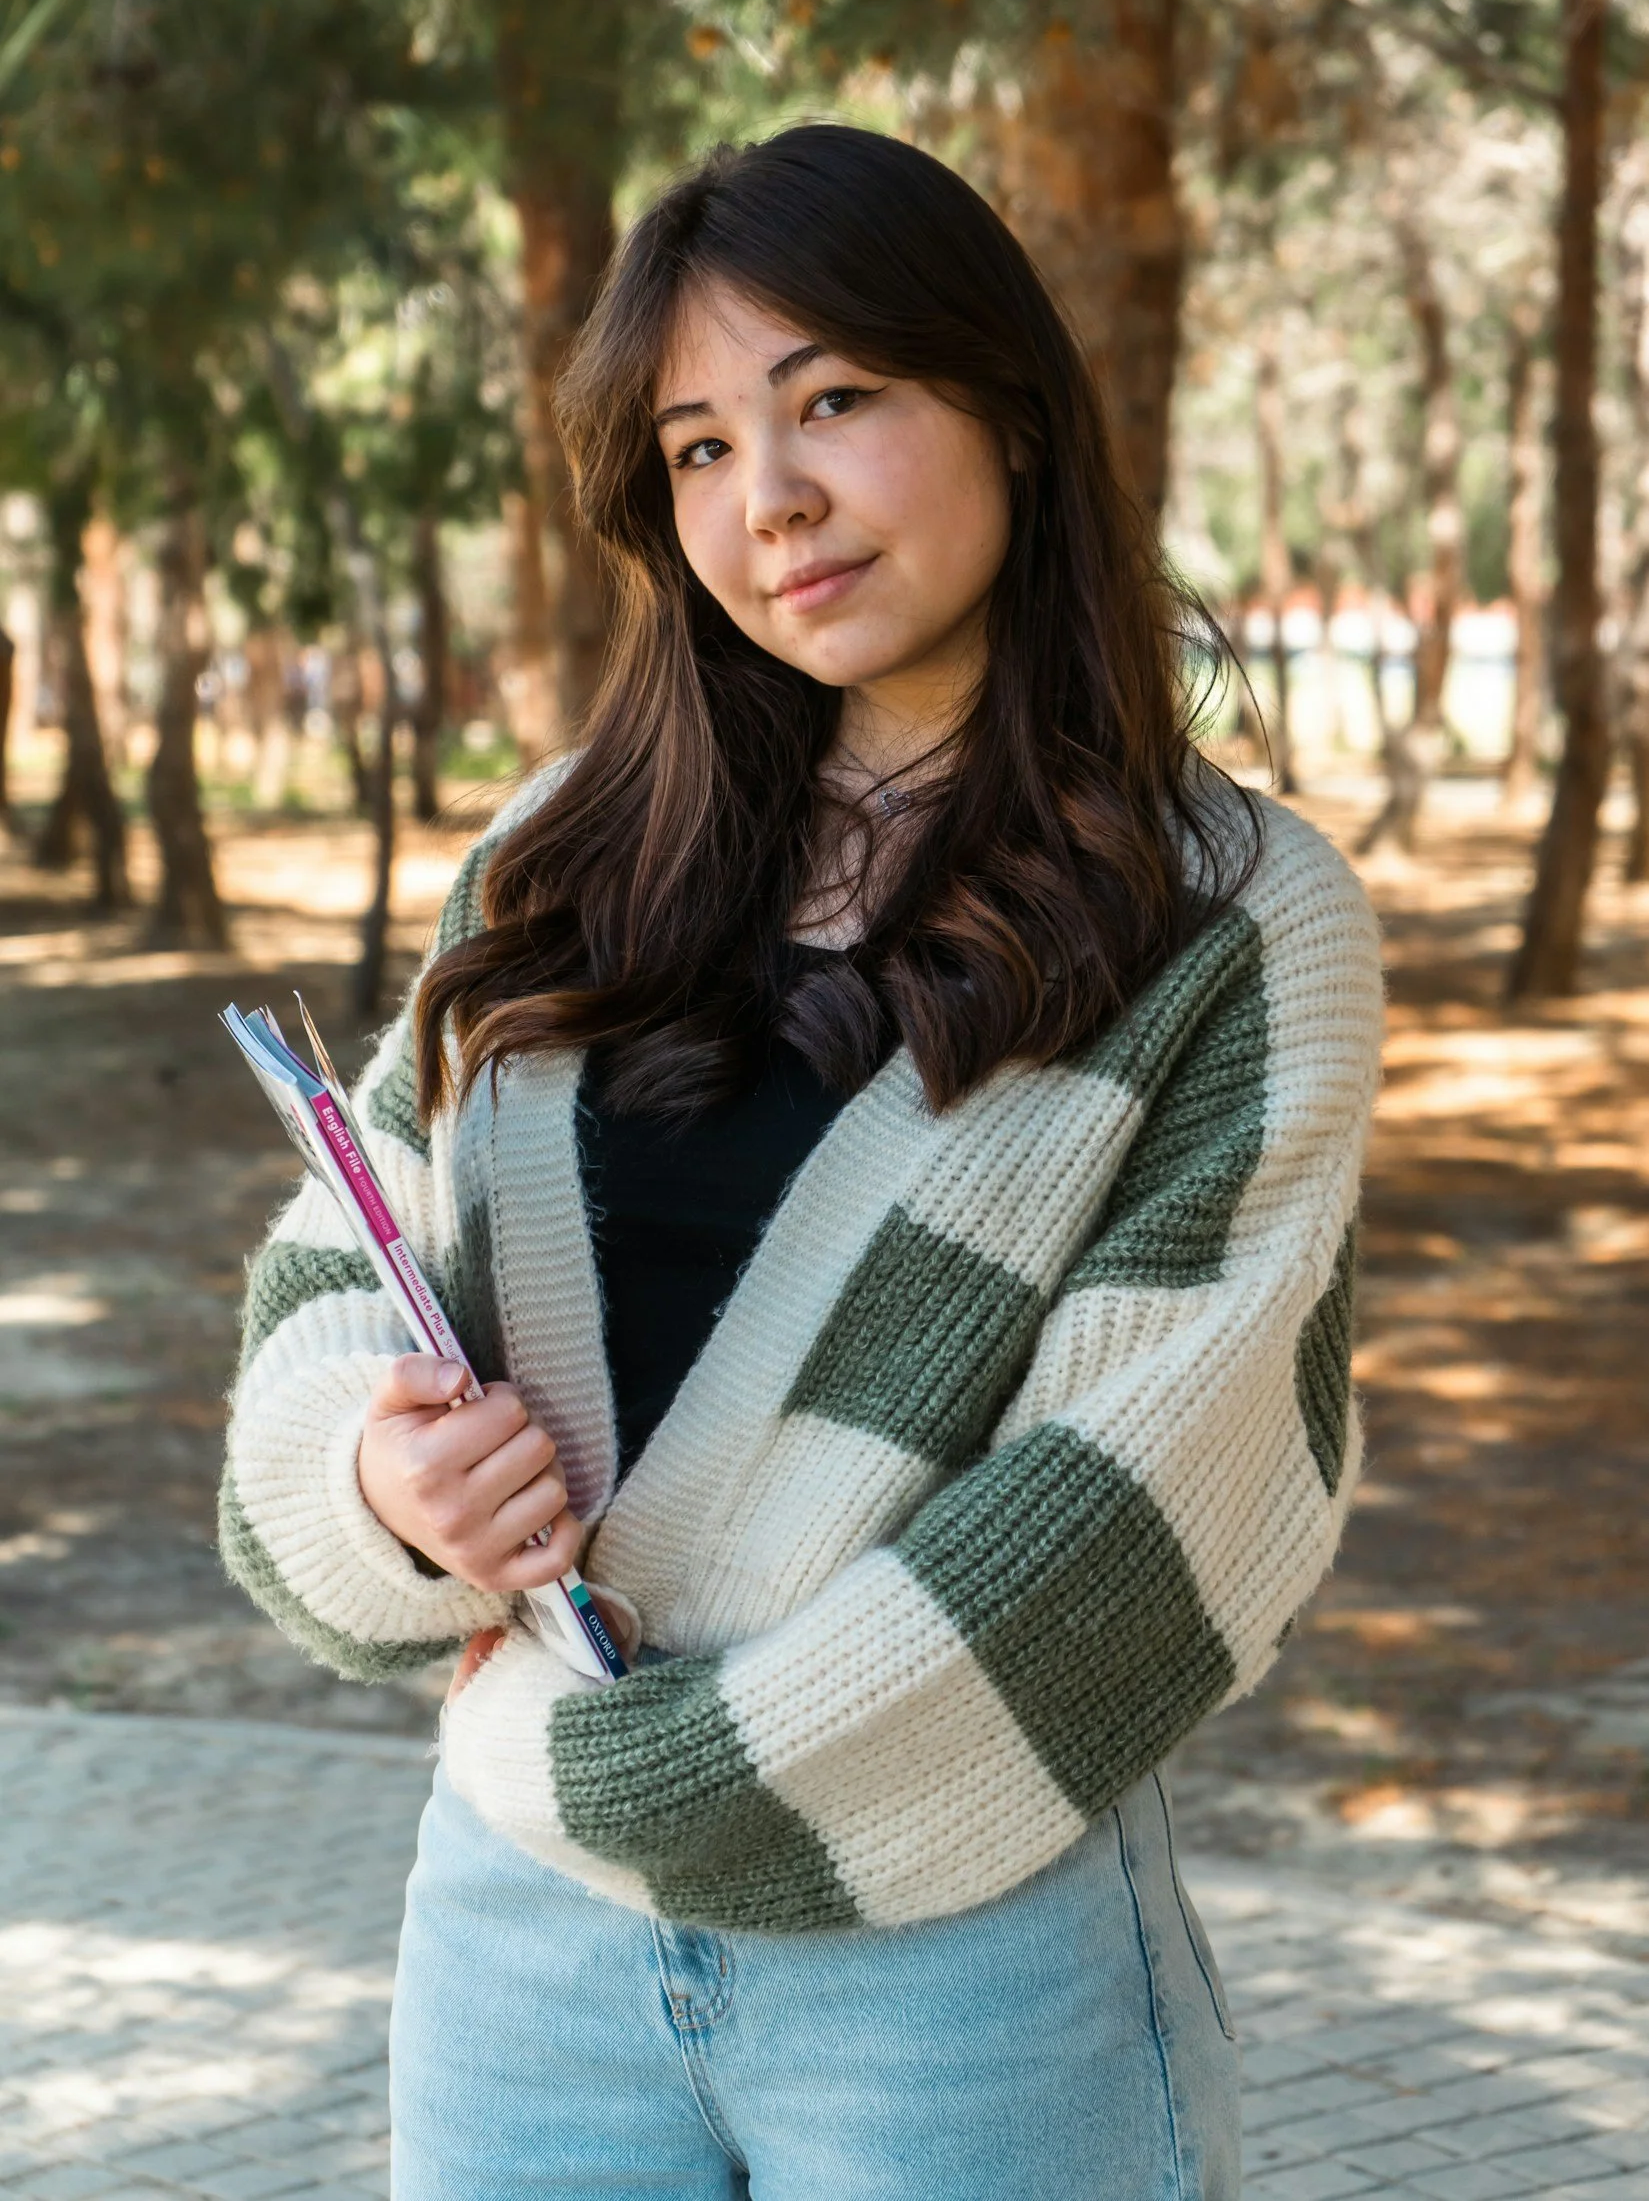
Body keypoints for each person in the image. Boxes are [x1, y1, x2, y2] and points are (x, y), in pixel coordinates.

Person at [221, 124, 1383, 2201]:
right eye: (692, 443)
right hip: (520, 1942)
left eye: (832, 396)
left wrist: (663, 1765)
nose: (765, 500)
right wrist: (379, 1490)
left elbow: (1145, 1490)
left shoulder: (1223, 923)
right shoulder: (567, 856)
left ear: (1007, 409)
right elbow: (344, 1250)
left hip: (958, 1938)